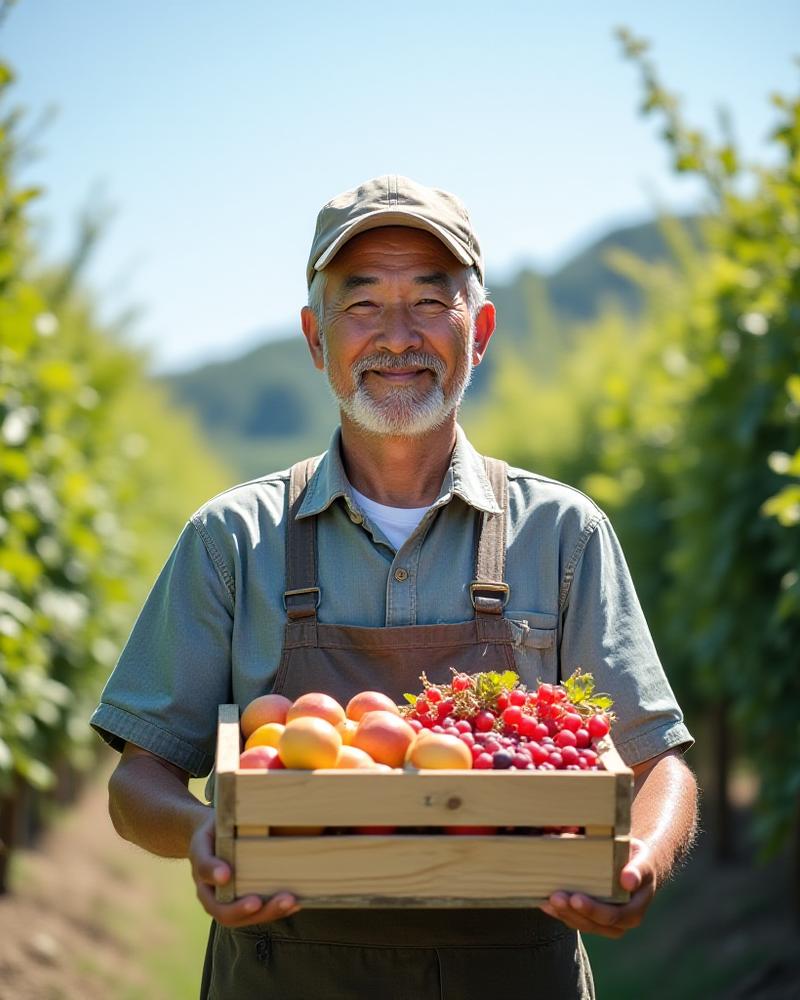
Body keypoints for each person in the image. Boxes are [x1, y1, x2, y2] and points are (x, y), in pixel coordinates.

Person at [91, 175, 698, 999]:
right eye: (364, 304)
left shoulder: (562, 533)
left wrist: (643, 861)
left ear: (478, 330)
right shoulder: (231, 539)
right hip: (281, 975)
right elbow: (138, 780)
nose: (398, 337)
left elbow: (658, 759)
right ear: (315, 337)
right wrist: (208, 834)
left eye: (428, 302)